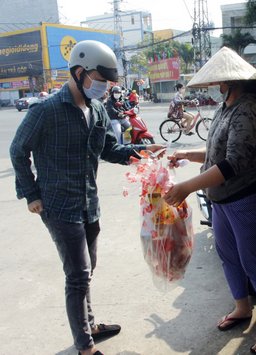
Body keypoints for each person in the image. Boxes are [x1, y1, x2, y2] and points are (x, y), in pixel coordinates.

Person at [9, 40, 165, 355]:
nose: (106, 87)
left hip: (88, 203)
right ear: (80, 72)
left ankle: (89, 324)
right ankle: (85, 346)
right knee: (77, 275)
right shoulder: (46, 110)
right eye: (102, 79)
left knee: (87, 269)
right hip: (58, 205)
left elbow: (110, 149)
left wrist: (142, 151)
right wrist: (30, 194)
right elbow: (17, 150)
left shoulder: (97, 110)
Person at [164, 47, 256, 354]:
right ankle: (242, 308)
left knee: (254, 263)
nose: (213, 87)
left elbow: (233, 163)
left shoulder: (247, 109)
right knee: (228, 256)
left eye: (217, 82)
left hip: (246, 198)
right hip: (221, 199)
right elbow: (215, 153)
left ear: (230, 81)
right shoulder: (225, 107)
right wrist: (185, 154)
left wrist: (188, 187)